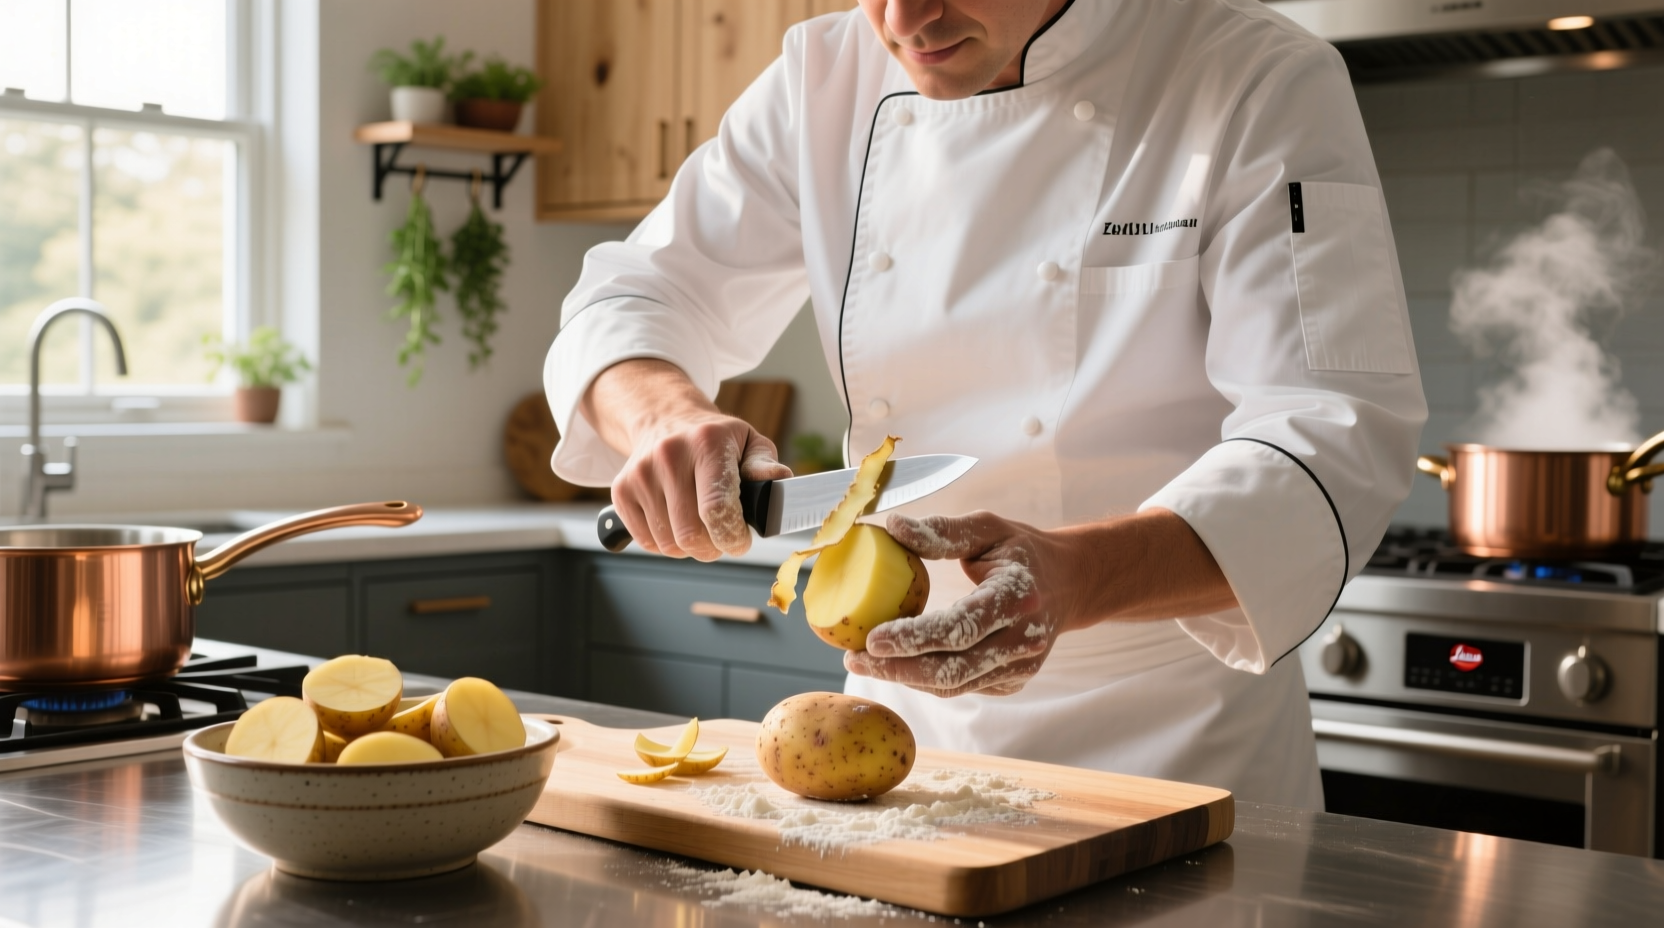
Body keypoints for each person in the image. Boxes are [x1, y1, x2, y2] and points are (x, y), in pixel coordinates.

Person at [544, 0, 1426, 808]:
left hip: (1177, 751)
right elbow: (636, 294)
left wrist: (1081, 574)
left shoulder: (1257, 77)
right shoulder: (823, 79)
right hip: (897, 744)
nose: (903, 19)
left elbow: (1331, 429)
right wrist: (663, 415)